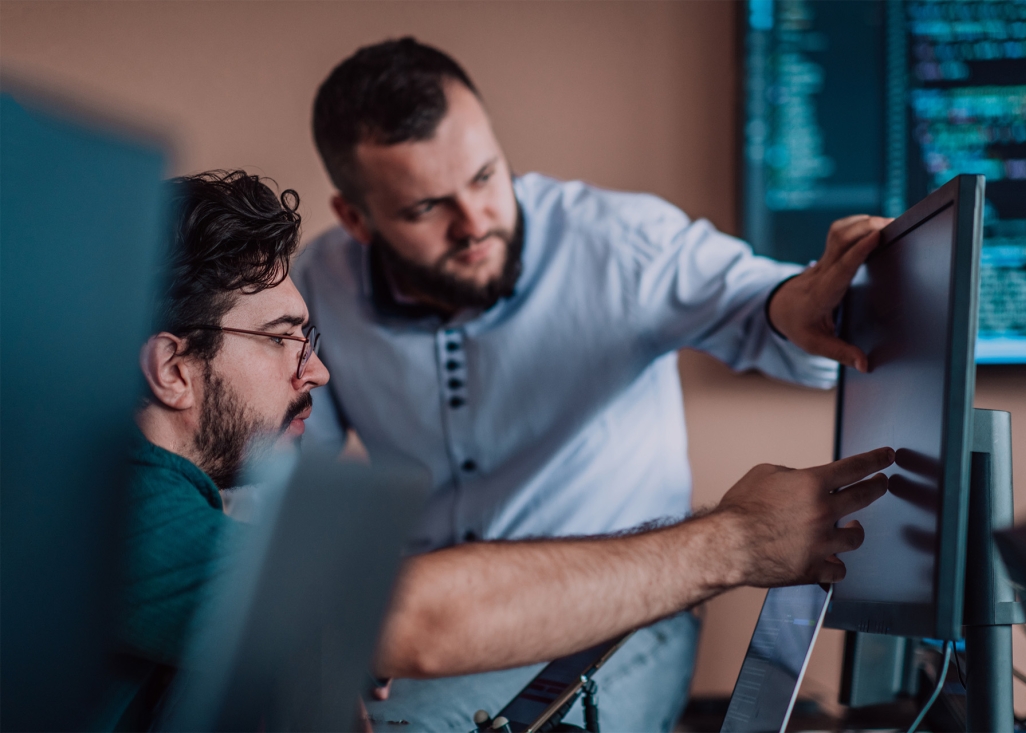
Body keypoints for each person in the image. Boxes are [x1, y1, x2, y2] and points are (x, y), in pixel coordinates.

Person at [103, 169, 892, 731]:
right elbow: (416, 617)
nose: (319, 369)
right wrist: (740, 538)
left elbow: (746, 299)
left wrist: (315, 639)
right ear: (174, 367)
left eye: (309, 337)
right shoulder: (117, 509)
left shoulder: (152, 500)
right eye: (284, 340)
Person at [295, 38, 893, 729]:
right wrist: (312, 641)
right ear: (354, 220)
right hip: (429, 624)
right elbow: (281, 472)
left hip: (618, 611)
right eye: (427, 208)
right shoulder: (318, 286)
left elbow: (759, 302)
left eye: (486, 176)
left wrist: (797, 299)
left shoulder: (619, 241)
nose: (475, 222)